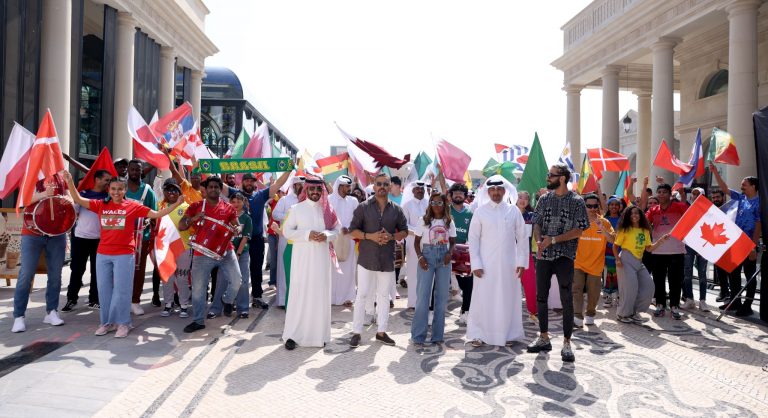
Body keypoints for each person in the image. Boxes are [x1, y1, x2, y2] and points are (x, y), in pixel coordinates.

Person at [62, 172, 181, 337]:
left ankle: (124, 323)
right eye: (113, 189)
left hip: (124, 255)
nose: (116, 192)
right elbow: (79, 199)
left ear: (125, 190)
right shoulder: (100, 204)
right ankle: (107, 323)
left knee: (122, 291)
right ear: (108, 189)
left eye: (119, 189)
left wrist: (177, 204)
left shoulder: (133, 206)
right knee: (104, 291)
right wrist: (69, 181)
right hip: (103, 255)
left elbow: (156, 214)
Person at [527, 163, 589, 362]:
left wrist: (553, 240)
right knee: (541, 297)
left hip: (565, 255)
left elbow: (579, 230)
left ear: (562, 178)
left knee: (566, 298)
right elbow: (537, 223)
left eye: (551, 175)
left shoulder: (577, 201)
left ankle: (567, 343)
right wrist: (539, 241)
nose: (548, 177)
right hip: (544, 256)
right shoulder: (544, 199)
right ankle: (544, 338)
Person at [348, 173, 409, 348]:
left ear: (390, 187)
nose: (382, 187)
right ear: (374, 187)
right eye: (379, 184)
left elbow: (404, 231)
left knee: (383, 296)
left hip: (386, 259)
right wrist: (371, 236)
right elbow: (352, 231)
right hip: (367, 258)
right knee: (362, 294)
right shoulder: (363, 207)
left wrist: (391, 236)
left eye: (385, 184)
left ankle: (381, 332)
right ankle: (357, 332)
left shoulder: (397, 209)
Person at [466, 176, 527, 347]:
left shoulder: (513, 211)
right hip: (485, 266)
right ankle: (478, 334)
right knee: (482, 299)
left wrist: (521, 262)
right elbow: (473, 239)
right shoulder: (480, 212)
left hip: (509, 266)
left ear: (504, 191)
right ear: (487, 192)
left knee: (507, 299)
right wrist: (476, 264)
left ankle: (509, 334)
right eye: (492, 189)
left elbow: (522, 237)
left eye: (499, 189)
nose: (495, 192)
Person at [281, 178, 341, 349]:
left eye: (318, 189)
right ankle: (293, 335)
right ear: (305, 190)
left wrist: (326, 235)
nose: (315, 192)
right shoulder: (296, 209)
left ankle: (319, 335)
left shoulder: (328, 209)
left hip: (321, 261)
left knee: (319, 294)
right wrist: (307, 234)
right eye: (312, 189)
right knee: (299, 294)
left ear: (322, 190)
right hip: (301, 261)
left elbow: (337, 230)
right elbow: (287, 231)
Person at [178, 176, 243, 333]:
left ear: (220, 190)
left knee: (236, 280)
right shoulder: (196, 206)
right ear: (205, 190)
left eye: (216, 187)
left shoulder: (229, 208)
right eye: (210, 187)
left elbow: (237, 226)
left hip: (226, 251)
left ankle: (227, 300)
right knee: (198, 289)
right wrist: (194, 218)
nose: (213, 189)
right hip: (202, 253)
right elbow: (181, 226)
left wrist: (238, 229)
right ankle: (198, 321)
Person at [11, 174, 70, 333]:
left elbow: (70, 197)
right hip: (32, 232)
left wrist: (68, 199)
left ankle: (52, 312)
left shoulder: (60, 176)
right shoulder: (30, 173)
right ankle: (19, 316)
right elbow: (23, 201)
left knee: (55, 275)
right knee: (26, 274)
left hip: (57, 232)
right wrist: (44, 194)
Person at [710, 162, 761, 316]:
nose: (741, 187)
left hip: (749, 244)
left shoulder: (759, 203)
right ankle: (735, 301)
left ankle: (747, 305)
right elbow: (725, 189)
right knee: (733, 272)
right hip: (736, 242)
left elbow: (758, 225)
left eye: (744, 184)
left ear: (753, 186)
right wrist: (715, 172)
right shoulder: (741, 198)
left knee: (750, 275)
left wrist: (753, 246)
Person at [240, 171, 292, 309]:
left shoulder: (260, 195)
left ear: (255, 183)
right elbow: (221, 186)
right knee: (239, 270)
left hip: (256, 238)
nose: (249, 183)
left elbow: (278, 184)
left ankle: (257, 297)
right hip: (239, 239)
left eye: (252, 180)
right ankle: (237, 299)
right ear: (242, 182)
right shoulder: (236, 194)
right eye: (246, 180)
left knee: (257, 268)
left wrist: (288, 170)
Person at [63, 170, 112, 312]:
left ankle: (94, 300)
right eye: (106, 180)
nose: (108, 183)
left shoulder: (108, 197)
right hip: (80, 238)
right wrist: (68, 201)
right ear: (97, 179)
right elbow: (73, 211)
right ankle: (71, 299)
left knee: (97, 271)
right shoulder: (82, 194)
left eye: (109, 180)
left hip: (100, 240)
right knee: (77, 270)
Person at [411, 191, 456, 346]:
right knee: (422, 297)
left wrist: (449, 253)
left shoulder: (448, 222)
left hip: (444, 259)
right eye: (433, 202)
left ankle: (437, 336)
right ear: (430, 204)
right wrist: (420, 257)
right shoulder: (423, 221)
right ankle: (418, 335)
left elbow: (453, 241)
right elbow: (416, 242)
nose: (436, 205)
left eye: (439, 202)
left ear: (444, 204)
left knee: (441, 298)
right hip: (426, 258)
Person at [614, 205, 670, 323]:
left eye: (636, 213)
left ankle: (633, 312)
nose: (634, 215)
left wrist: (661, 241)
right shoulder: (624, 229)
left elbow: (649, 248)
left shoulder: (645, 230)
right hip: (626, 259)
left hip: (639, 261)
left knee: (649, 287)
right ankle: (623, 314)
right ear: (627, 216)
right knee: (630, 289)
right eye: (631, 213)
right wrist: (618, 260)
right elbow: (615, 246)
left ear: (640, 215)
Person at [643, 181, 687, 319]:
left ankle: (674, 306)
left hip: (677, 250)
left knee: (675, 281)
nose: (661, 195)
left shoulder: (679, 207)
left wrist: (683, 195)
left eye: (664, 192)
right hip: (658, 251)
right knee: (658, 280)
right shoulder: (653, 210)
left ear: (670, 194)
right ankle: (660, 305)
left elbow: (690, 218)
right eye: (659, 192)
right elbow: (645, 223)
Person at [573, 194, 615, 327]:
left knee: (594, 292)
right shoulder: (576, 220)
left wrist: (603, 229)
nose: (592, 209)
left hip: (596, 263)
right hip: (578, 261)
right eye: (589, 206)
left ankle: (590, 314)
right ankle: (577, 315)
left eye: (595, 206)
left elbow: (613, 240)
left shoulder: (604, 222)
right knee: (576, 289)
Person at [209, 192, 253, 318]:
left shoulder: (247, 218)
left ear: (243, 202)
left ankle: (243, 309)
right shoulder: (225, 216)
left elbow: (245, 238)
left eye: (239, 201)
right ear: (229, 203)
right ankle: (216, 308)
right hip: (226, 253)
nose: (236, 204)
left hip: (242, 253)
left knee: (243, 281)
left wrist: (238, 253)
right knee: (221, 280)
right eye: (233, 202)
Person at [124, 159, 158, 315]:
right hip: (121, 238)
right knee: (121, 270)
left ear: (142, 171)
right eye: (132, 169)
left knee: (139, 269)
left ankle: (135, 301)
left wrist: (148, 224)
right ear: (128, 170)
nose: (134, 172)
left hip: (141, 238)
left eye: (137, 169)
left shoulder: (148, 191)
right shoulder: (120, 188)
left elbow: (154, 215)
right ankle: (122, 300)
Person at [156, 179, 192, 318]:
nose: (171, 192)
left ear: (179, 192)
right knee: (167, 278)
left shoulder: (187, 206)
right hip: (165, 249)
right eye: (168, 190)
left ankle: (184, 305)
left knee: (182, 278)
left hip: (183, 247)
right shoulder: (160, 206)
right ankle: (168, 304)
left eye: (174, 190)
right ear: (164, 192)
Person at [272, 174, 305, 307]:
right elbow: (275, 214)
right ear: (294, 185)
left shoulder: (306, 200)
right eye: (300, 185)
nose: (302, 187)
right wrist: (290, 216)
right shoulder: (285, 200)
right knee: (284, 269)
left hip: (301, 240)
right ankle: (282, 300)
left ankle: (297, 300)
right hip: (285, 238)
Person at [328, 175, 360, 306]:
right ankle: (331, 298)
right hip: (333, 239)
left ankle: (347, 297)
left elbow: (358, 218)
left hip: (348, 239)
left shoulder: (353, 201)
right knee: (332, 269)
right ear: (340, 187)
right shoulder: (329, 199)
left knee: (348, 268)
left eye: (350, 186)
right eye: (347, 186)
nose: (349, 188)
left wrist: (350, 229)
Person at [448, 183, 473, 324]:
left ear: (465, 196)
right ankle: (432, 312)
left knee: (468, 285)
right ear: (451, 195)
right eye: (455, 193)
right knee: (438, 286)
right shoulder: (445, 210)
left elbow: (473, 234)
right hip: (444, 251)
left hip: (461, 254)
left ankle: (465, 311)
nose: (458, 195)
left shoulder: (470, 213)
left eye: (461, 193)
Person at [401, 180, 428, 307]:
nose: (420, 191)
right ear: (413, 191)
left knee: (426, 271)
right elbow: (404, 225)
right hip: (412, 241)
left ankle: (425, 302)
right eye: (417, 189)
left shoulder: (429, 204)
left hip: (428, 241)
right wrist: (418, 232)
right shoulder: (407, 205)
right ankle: (412, 302)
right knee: (412, 272)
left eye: (422, 189)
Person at [516, 190, 537, 321]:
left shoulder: (531, 216)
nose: (522, 200)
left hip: (526, 254)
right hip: (509, 254)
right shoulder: (509, 214)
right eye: (520, 197)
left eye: (525, 198)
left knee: (530, 284)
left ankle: (533, 312)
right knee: (509, 285)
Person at [709, 189, 731, 302]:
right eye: (713, 198)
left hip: (730, 244)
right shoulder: (711, 211)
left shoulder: (730, 210)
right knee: (720, 271)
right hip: (717, 245)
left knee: (731, 271)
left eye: (717, 197)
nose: (715, 199)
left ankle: (732, 294)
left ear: (723, 198)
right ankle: (724, 291)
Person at [602, 197, 623, 307]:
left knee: (620, 274)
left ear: (620, 207)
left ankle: (619, 296)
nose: (614, 206)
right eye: (611, 204)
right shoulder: (604, 219)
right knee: (611, 273)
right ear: (608, 206)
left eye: (616, 204)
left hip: (621, 250)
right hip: (608, 249)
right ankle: (609, 296)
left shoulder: (623, 219)